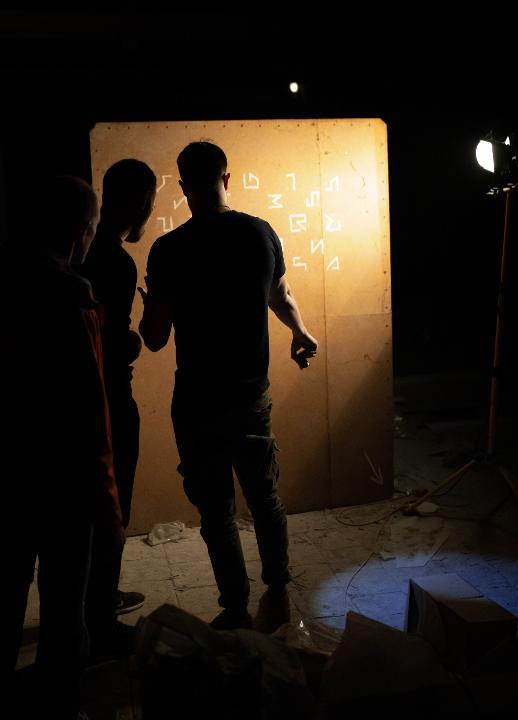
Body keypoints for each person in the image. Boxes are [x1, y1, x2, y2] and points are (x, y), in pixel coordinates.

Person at [138, 141, 318, 632]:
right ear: (227, 177)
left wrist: (150, 305)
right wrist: (300, 331)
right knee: (265, 498)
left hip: (198, 399)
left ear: (183, 186)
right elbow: (280, 295)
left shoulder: (169, 249)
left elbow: (155, 339)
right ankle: (278, 591)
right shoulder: (260, 233)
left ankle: (235, 607)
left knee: (216, 512)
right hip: (250, 393)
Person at [0, 175, 122, 719]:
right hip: (61, 484)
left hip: (8, 476)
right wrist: (109, 504)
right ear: (79, 231)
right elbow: (90, 414)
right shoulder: (71, 296)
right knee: (64, 608)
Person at [81, 159, 157, 625]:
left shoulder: (82, 253)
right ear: (144, 201)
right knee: (112, 506)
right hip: (109, 401)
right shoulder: (119, 263)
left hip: (74, 402)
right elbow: (113, 343)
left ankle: (85, 606)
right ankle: (101, 612)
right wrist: (135, 339)